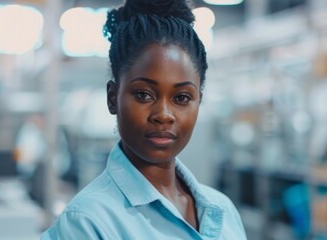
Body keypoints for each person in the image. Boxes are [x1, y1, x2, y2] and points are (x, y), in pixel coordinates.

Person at [41, 0, 247, 239]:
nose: (163, 115)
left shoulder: (223, 210)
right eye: (143, 94)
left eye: (181, 97)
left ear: (198, 102)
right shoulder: (86, 223)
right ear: (112, 98)